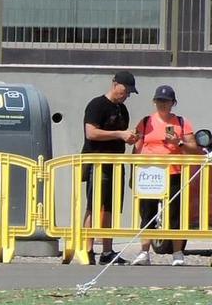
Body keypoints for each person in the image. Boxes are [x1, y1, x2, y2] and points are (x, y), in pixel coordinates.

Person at [129, 82, 191, 264]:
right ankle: (144, 252)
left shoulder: (181, 122)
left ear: (173, 103)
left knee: (175, 213)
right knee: (147, 213)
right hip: (149, 173)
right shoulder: (146, 122)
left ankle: (178, 253)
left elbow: (194, 148)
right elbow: (137, 147)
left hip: (174, 172)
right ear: (154, 102)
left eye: (166, 101)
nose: (162, 104)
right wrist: (134, 171)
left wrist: (179, 142)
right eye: (159, 100)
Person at [81, 72, 135, 264]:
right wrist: (120, 134)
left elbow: (120, 136)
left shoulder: (123, 110)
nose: (126, 94)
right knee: (93, 205)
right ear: (115, 84)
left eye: (129, 92)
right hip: (97, 162)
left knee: (112, 207)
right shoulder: (97, 105)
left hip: (116, 162)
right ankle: (87, 249)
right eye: (125, 90)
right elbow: (91, 133)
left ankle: (107, 251)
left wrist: (129, 138)